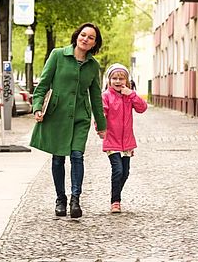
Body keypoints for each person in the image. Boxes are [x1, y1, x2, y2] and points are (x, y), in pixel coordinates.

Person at [30, 22, 106, 219]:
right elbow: (43, 85)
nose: (85, 39)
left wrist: (101, 125)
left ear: (94, 43)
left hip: (80, 117)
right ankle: (60, 199)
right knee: (57, 159)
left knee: (77, 156)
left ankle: (75, 200)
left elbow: (96, 97)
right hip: (57, 115)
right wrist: (37, 107)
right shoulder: (58, 55)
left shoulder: (93, 66)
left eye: (90, 37)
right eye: (83, 35)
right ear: (77, 35)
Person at [102, 63, 148, 213]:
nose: (118, 81)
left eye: (121, 78)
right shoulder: (106, 96)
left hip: (127, 142)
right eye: (114, 78)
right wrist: (100, 128)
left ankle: (116, 193)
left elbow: (142, 108)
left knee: (126, 172)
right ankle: (115, 201)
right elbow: (101, 114)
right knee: (118, 170)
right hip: (112, 140)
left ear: (127, 81)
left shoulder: (129, 96)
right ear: (109, 80)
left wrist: (132, 94)